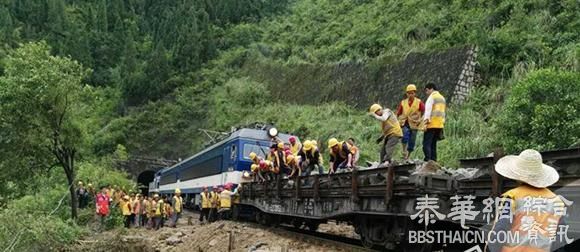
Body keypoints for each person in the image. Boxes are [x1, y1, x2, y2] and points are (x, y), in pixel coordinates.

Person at [487, 149, 566, 252]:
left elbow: (500, 231)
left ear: (517, 176)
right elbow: (559, 240)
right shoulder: (557, 202)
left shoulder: (511, 197)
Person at [396, 84, 425, 160]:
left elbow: (423, 111)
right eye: (409, 93)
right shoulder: (403, 102)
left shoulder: (419, 102)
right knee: (404, 135)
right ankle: (404, 151)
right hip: (404, 122)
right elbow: (398, 112)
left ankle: (408, 155)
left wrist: (420, 119)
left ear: (415, 93)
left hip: (414, 123)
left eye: (412, 93)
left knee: (412, 140)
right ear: (407, 94)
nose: (410, 95)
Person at [422, 83, 446, 162]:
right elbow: (443, 112)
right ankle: (434, 160)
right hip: (439, 125)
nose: (426, 93)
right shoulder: (442, 98)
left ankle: (427, 160)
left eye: (427, 90)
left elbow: (428, 111)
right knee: (433, 144)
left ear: (431, 89)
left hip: (431, 124)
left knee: (426, 143)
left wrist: (425, 123)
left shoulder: (432, 97)